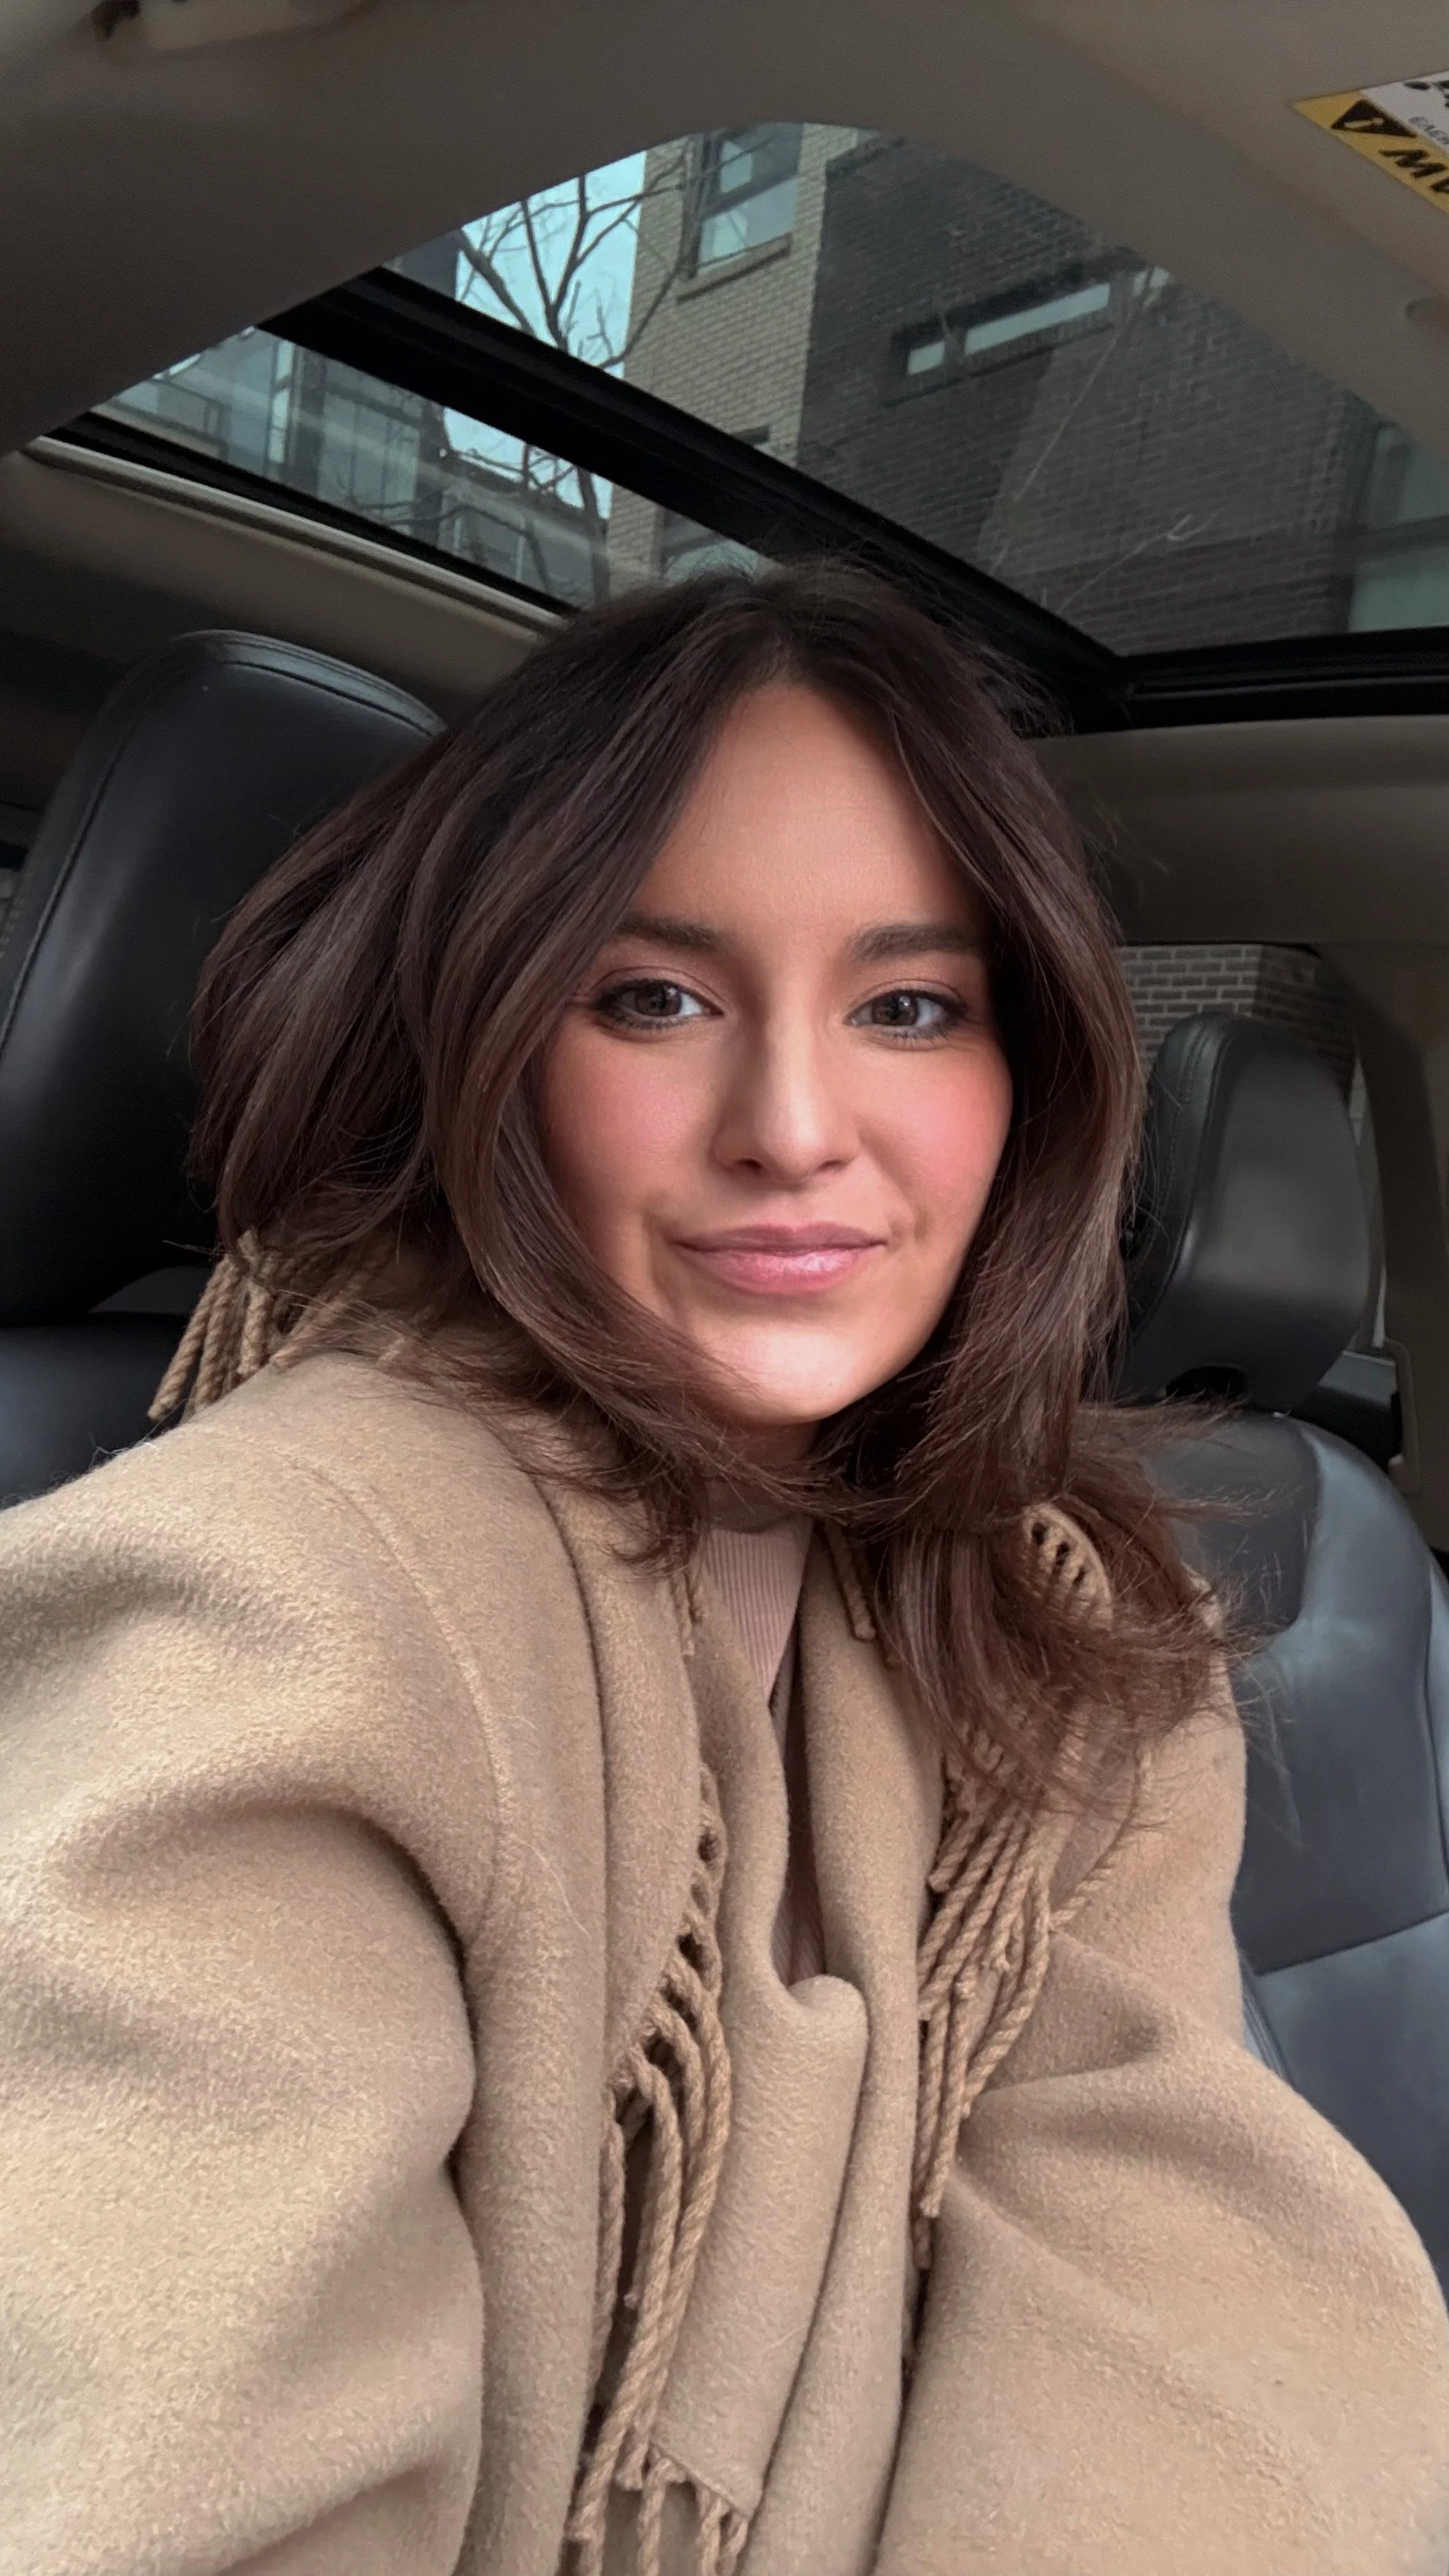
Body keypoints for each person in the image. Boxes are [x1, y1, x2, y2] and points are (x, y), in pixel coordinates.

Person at [1, 562, 1446, 2576]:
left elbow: (1177, 2291)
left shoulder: (1068, 1626)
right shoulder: (255, 1595)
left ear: (1023, 1083)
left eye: (907, 1006)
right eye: (653, 996)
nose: (791, 1125)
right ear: (481, 1050)